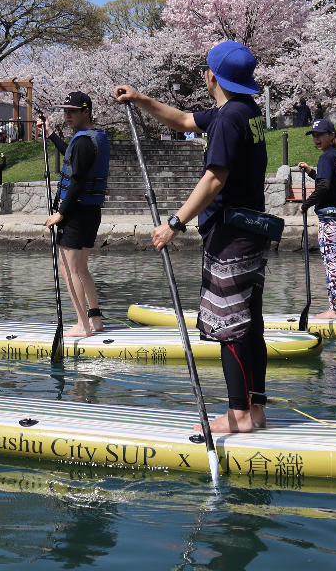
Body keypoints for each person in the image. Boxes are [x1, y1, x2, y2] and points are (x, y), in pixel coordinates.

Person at [115, 40, 271, 434]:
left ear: (211, 76)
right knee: (250, 324)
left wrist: (175, 222)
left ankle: (238, 416)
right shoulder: (245, 111)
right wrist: (140, 99)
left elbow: (215, 178)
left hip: (231, 235)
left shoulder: (227, 118)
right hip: (252, 230)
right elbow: (184, 120)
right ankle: (255, 410)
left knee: (231, 325)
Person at [37, 91, 110, 336]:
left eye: (73, 111)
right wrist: (50, 133)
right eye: (65, 111)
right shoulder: (92, 138)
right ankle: (95, 320)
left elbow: (77, 181)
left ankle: (82, 325)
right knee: (81, 268)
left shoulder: (82, 141)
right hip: (91, 212)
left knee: (69, 271)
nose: (67, 115)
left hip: (76, 213)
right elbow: (70, 152)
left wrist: (60, 214)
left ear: (86, 112)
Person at [296, 118, 336, 320]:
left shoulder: (326, 158)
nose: (316, 139)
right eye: (314, 135)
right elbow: (328, 181)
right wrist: (311, 171)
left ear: (332, 135)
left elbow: (324, 187)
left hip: (331, 220)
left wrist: (305, 205)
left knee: (331, 264)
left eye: (320, 135)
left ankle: (335, 310)